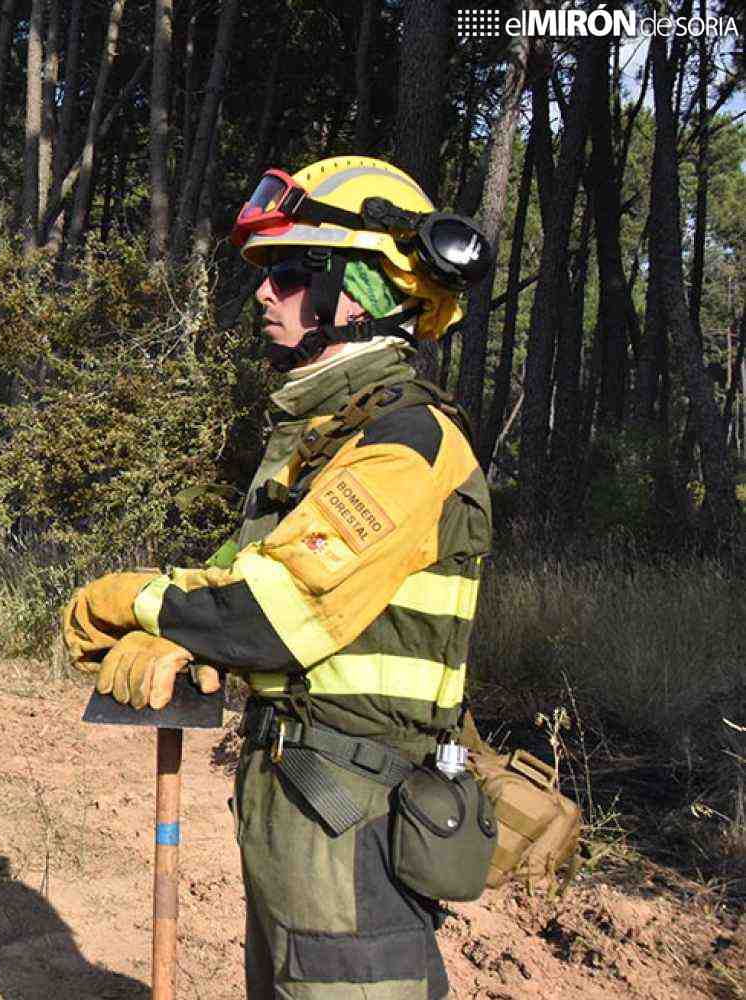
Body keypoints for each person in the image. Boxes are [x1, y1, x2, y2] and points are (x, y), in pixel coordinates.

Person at [61, 156, 493, 999]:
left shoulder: (407, 444)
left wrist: (135, 602)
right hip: (300, 805)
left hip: (358, 815)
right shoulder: (322, 441)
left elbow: (267, 615)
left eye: (292, 274)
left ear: (361, 292)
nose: (264, 294)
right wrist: (181, 634)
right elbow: (238, 578)